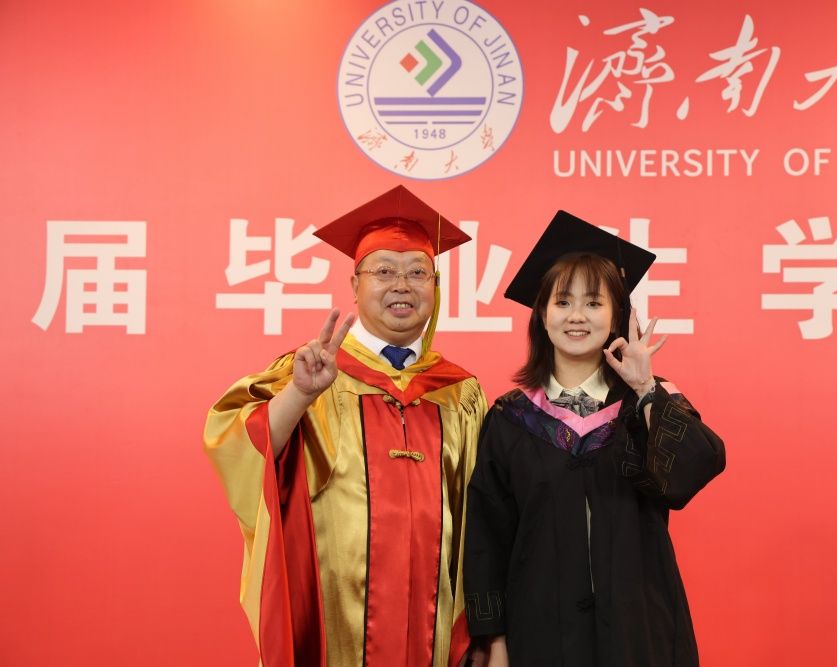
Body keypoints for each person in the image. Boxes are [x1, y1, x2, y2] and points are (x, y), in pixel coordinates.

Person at [204, 185, 488, 667]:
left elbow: (484, 521)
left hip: (435, 631)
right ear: (354, 284)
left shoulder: (460, 393)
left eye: (417, 272)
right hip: (337, 626)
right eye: (384, 271)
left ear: (434, 287)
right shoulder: (311, 372)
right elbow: (243, 445)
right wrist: (300, 395)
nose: (402, 285)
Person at [462, 211, 726, 666]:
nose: (577, 316)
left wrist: (645, 388)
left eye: (593, 303)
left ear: (617, 315)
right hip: (538, 633)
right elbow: (488, 536)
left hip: (638, 629)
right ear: (542, 315)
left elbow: (695, 469)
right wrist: (495, 642)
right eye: (563, 302)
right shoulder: (511, 418)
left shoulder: (646, 401)